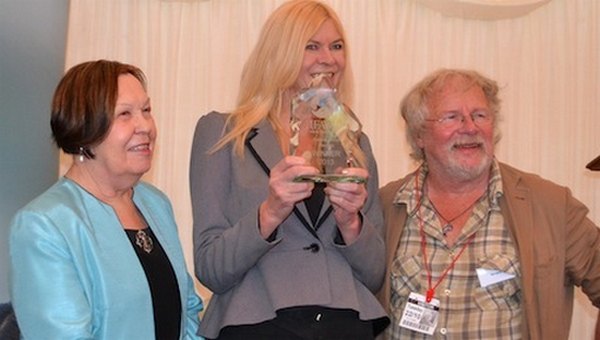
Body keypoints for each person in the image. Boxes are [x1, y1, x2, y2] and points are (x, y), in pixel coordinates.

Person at [189, 1, 389, 339]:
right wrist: (270, 212)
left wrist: (350, 223)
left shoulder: (354, 142)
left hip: (345, 324)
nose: (329, 58)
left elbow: (374, 273)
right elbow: (211, 268)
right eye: (312, 46)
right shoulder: (222, 133)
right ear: (279, 52)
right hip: (258, 324)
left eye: (337, 46)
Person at [377, 68, 600, 339]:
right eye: (452, 117)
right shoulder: (385, 207)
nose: (470, 127)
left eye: (480, 115)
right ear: (419, 135)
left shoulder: (551, 206)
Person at [9, 60, 204, 339]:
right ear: (83, 128)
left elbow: (189, 313)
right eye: (124, 114)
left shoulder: (155, 204)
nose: (145, 126)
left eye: (146, 110)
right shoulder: (44, 225)